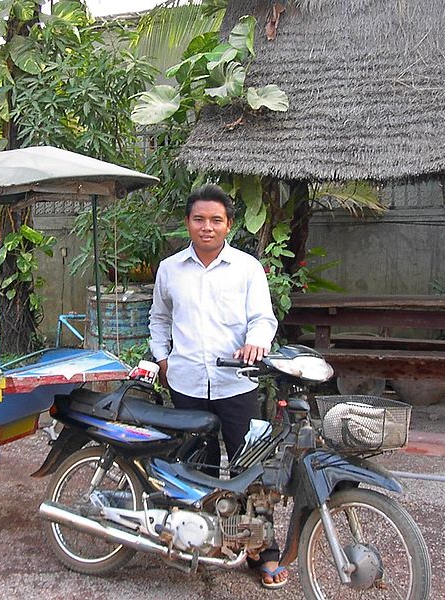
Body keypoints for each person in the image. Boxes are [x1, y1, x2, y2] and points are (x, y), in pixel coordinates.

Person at [148, 184, 287, 590]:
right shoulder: (170, 269)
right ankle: (204, 540)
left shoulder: (246, 268)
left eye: (215, 220)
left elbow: (263, 318)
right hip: (186, 382)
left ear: (228, 224)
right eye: (199, 219)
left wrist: (257, 339)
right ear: (188, 223)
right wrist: (163, 357)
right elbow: (158, 319)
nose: (206, 227)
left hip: (236, 383)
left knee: (250, 468)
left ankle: (265, 551)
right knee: (195, 466)